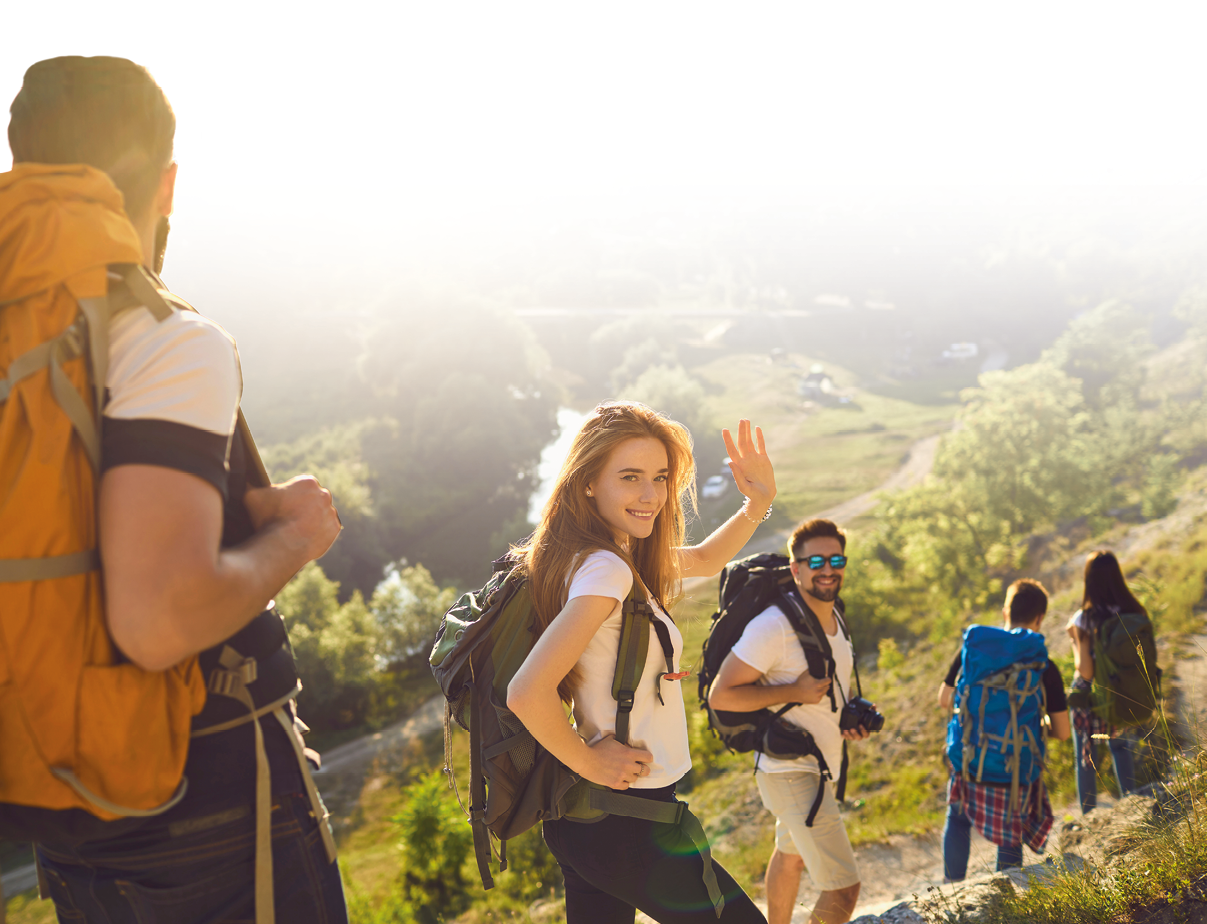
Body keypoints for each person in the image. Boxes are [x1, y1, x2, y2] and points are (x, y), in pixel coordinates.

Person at [2, 57, 347, 922]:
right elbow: (158, 621)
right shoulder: (161, 338)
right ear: (167, 183)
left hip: (50, 785)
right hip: (199, 786)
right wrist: (294, 535)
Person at [507, 403, 774, 924]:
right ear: (588, 482)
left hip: (586, 816)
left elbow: (704, 559)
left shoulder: (589, 554)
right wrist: (589, 760)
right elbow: (526, 691)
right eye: (630, 477)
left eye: (660, 477)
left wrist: (757, 502)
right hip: (627, 817)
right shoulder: (606, 571)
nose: (651, 495)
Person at [708, 518, 871, 924]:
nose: (827, 568)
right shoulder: (774, 627)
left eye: (836, 559)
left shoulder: (835, 619)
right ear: (796, 568)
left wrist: (852, 714)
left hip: (817, 767)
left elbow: (832, 687)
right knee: (843, 888)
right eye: (815, 560)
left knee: (790, 856)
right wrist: (792, 693)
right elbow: (721, 695)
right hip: (789, 770)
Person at [937, 579, 1070, 881]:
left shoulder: (973, 650)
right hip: (1015, 767)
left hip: (970, 758)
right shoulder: (1043, 664)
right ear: (1039, 619)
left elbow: (944, 699)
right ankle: (1004, 901)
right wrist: (1032, 725)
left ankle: (950, 888)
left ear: (1004, 612)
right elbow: (1062, 732)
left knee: (957, 819)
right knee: (1010, 831)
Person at [1066, 550, 1144, 813]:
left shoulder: (1085, 618)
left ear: (1089, 580)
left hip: (1092, 696)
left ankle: (1088, 818)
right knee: (1121, 748)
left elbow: (1085, 671)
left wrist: (1075, 640)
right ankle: (1131, 804)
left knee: (1086, 758)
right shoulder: (1132, 610)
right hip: (1123, 691)